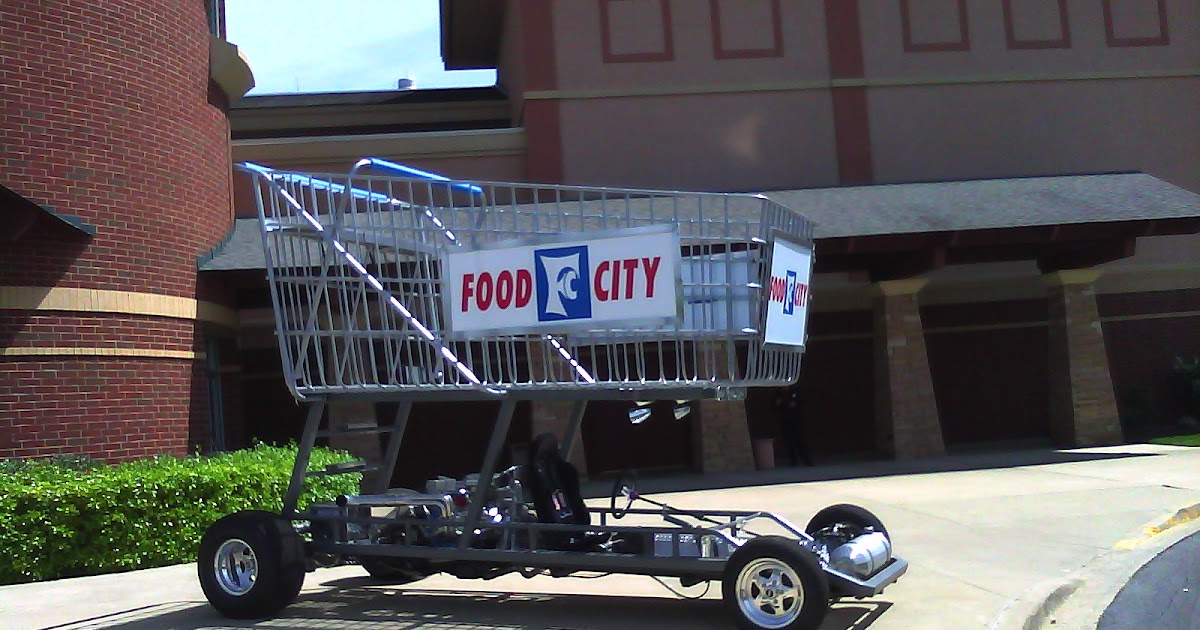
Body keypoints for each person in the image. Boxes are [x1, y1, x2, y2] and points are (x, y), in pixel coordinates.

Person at [773, 379, 814, 467]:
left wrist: (794, 404)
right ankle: (793, 460)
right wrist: (778, 404)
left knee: (800, 440)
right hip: (785, 420)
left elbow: (802, 402)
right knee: (789, 441)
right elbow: (773, 407)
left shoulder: (795, 391)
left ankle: (806, 459)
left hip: (796, 420)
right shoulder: (778, 393)